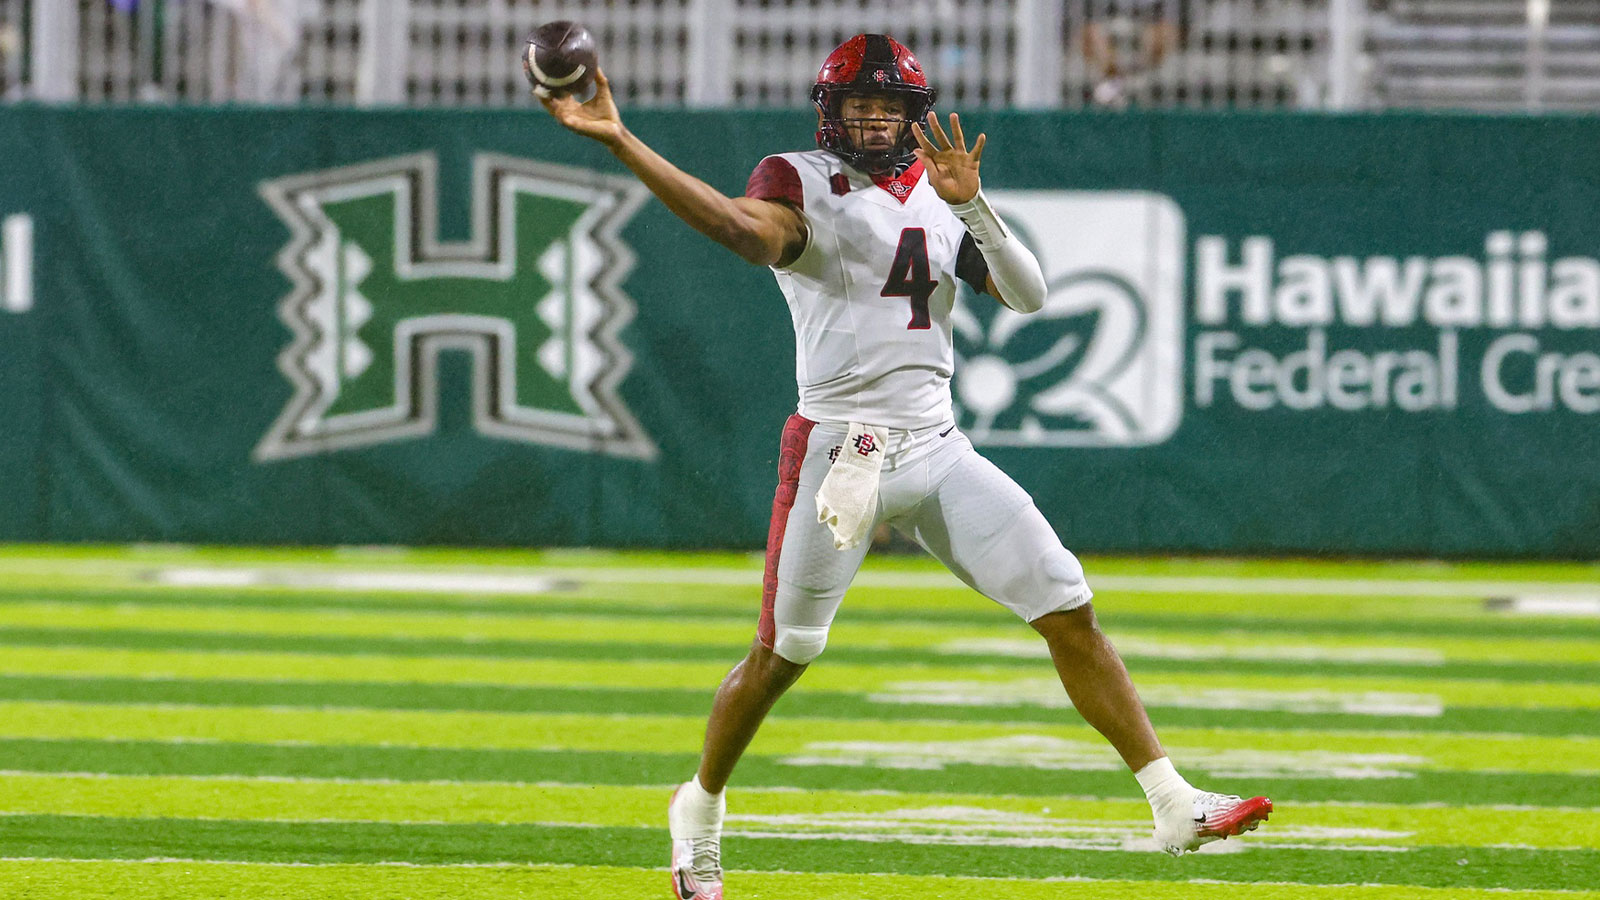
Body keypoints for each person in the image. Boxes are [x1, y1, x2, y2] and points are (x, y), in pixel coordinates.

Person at [537, 33, 1271, 900]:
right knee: (784, 656)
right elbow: (740, 231)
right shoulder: (798, 178)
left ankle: (1171, 802)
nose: (876, 121)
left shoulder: (936, 190)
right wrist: (623, 140)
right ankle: (697, 812)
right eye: (860, 106)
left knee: (1067, 604)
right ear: (830, 111)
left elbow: (1031, 296)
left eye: (891, 107)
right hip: (840, 456)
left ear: (916, 115)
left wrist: (977, 207)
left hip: (938, 445)